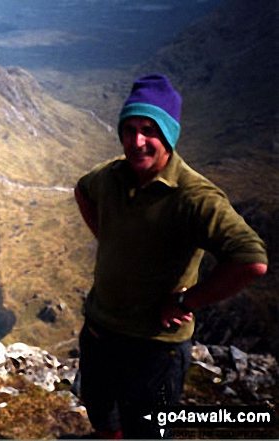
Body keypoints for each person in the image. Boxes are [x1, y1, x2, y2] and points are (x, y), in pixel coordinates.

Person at [74, 74, 268, 439]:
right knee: (102, 415)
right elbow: (83, 190)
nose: (137, 141)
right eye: (128, 129)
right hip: (101, 330)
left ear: (169, 133)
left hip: (155, 348)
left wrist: (186, 301)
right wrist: (109, 237)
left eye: (149, 129)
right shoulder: (112, 176)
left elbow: (251, 259)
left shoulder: (194, 196)